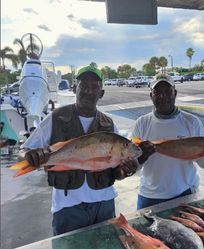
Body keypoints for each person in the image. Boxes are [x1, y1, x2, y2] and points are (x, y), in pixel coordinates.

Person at [21, 65, 138, 235]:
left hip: (104, 204)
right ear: (75, 88)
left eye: (95, 87)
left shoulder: (109, 125)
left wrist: (125, 171)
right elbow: (25, 150)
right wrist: (29, 156)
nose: (88, 91)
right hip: (67, 207)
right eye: (84, 86)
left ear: (102, 93)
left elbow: (116, 173)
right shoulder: (56, 117)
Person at [131, 74, 204, 210]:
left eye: (167, 91)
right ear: (151, 96)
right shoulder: (141, 123)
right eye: (157, 92)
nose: (162, 96)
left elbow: (203, 162)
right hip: (148, 196)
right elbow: (132, 166)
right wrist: (141, 158)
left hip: (184, 194)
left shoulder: (192, 122)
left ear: (175, 93)